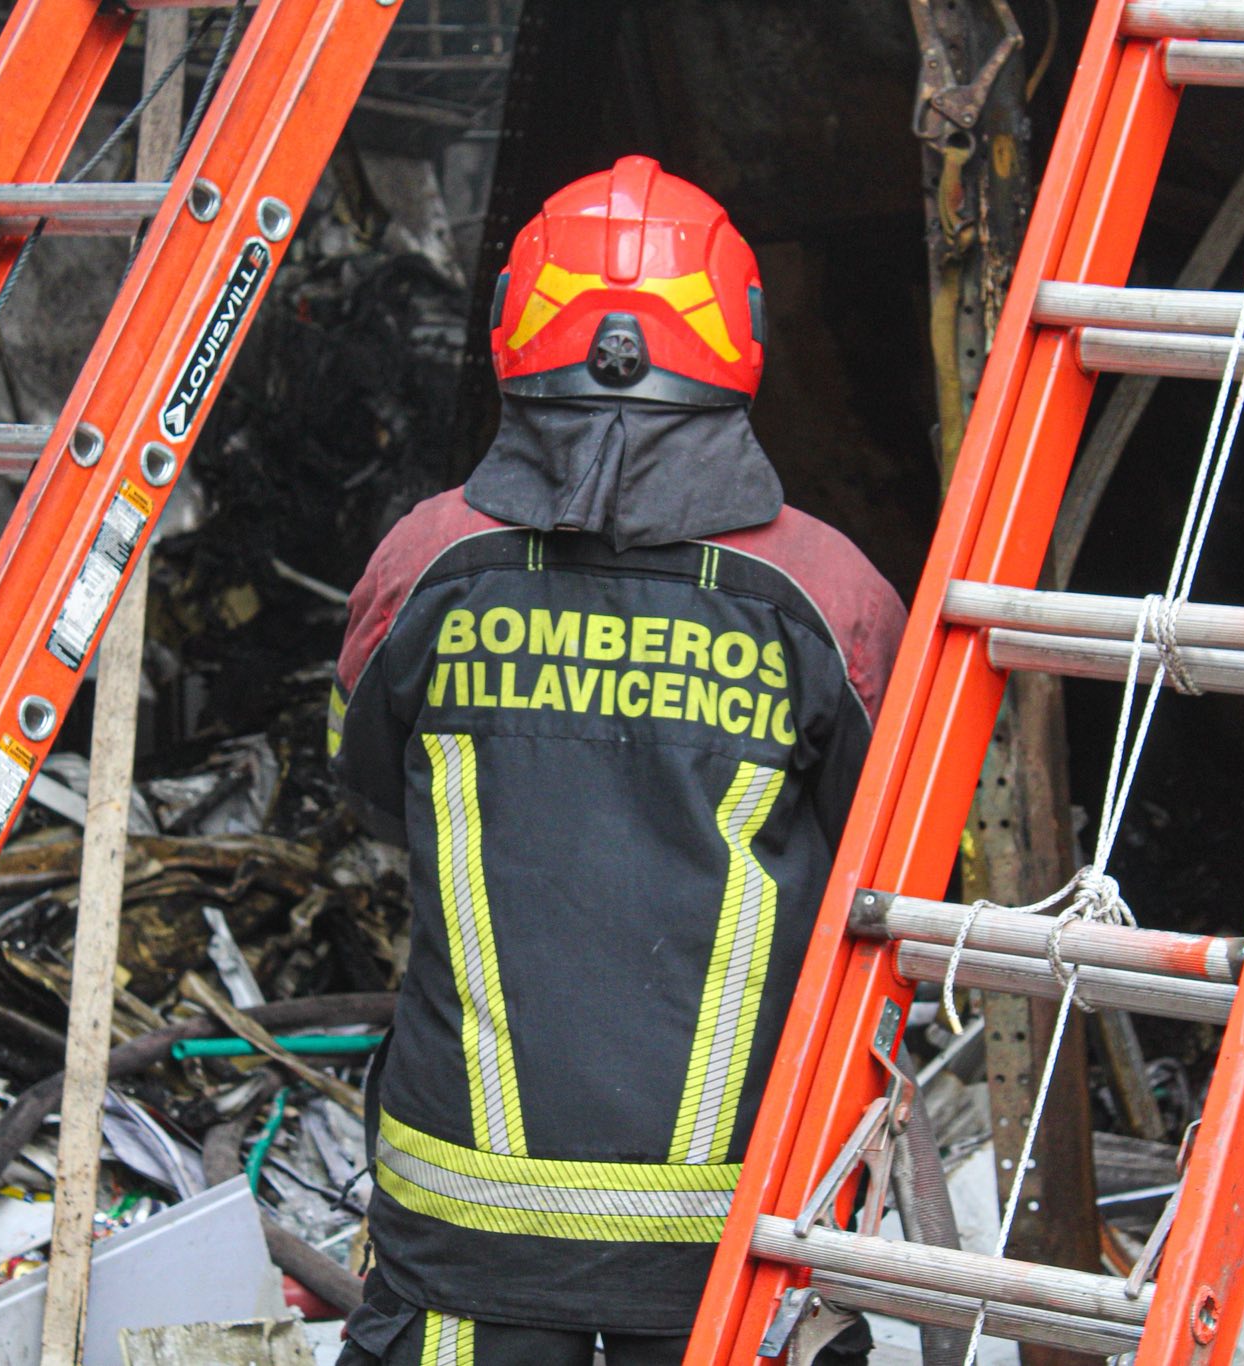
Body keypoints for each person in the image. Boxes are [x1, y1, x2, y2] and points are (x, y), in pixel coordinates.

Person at [328, 155, 904, 1365]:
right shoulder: (830, 596)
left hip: (460, 1237)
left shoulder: (425, 566)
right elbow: (883, 872)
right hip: (735, 1240)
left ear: (512, 331)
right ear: (738, 337)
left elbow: (376, 802)